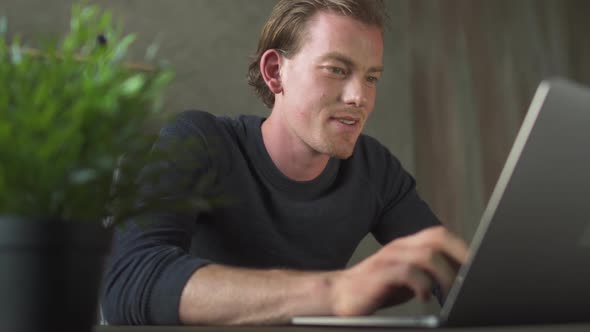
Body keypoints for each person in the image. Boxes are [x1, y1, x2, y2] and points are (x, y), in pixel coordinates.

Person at [101, 0, 469, 326]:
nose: (360, 97)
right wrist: (335, 291)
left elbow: (456, 283)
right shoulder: (199, 140)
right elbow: (129, 282)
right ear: (275, 72)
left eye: (371, 77)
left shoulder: (376, 169)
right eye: (337, 69)